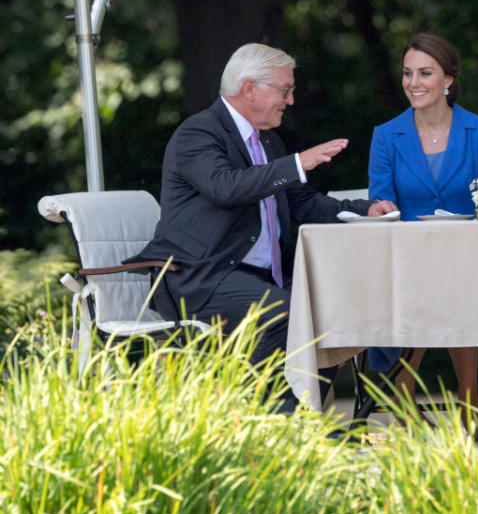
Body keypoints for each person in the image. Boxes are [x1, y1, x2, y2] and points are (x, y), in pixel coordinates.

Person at [127, 43, 398, 409]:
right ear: (250, 87)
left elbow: (299, 202)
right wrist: (297, 163)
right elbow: (226, 187)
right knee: (291, 315)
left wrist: (362, 210)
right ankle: (272, 422)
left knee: (336, 315)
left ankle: (294, 417)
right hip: (200, 278)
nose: (290, 101)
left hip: (259, 279)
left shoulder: (268, 140)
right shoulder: (198, 134)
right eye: (285, 90)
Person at [367, 32, 478, 426]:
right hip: (405, 259)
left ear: (448, 80)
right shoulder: (386, 135)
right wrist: (381, 206)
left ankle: (469, 402)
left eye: (425, 73)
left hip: (471, 257)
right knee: (427, 285)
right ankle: (405, 399)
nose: (414, 83)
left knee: (458, 283)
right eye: (408, 73)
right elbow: (381, 198)